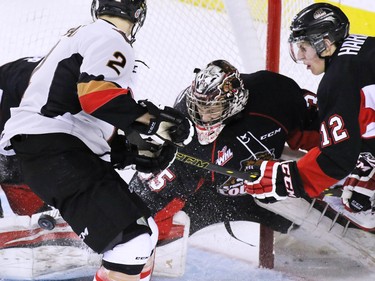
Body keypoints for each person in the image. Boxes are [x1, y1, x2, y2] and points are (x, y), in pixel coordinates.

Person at [0, 1, 194, 281]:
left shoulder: (81, 39)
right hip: (54, 152)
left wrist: (130, 153)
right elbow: (97, 97)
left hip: (53, 153)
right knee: (132, 244)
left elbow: (81, 116)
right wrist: (152, 120)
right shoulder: (110, 38)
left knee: (146, 235)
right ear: (139, 14)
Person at [128, 59, 321, 243]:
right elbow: (153, 190)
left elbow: (320, 128)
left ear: (234, 101)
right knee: (149, 219)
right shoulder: (184, 130)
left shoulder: (273, 93)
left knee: (299, 210)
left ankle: (303, 233)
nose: (203, 116)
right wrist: (130, 227)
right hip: (216, 195)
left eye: (212, 109)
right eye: (199, 107)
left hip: (274, 183)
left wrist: (342, 164)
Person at [244, 3, 375, 221]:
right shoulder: (362, 49)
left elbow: (337, 158)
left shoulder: (338, 81)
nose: (301, 57)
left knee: (359, 197)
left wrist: (285, 179)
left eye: (304, 48)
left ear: (325, 44)